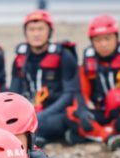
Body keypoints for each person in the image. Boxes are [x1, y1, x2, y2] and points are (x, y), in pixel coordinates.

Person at [66, 14, 120, 150]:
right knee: (71, 114)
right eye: (98, 40)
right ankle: (109, 137)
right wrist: (82, 112)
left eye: (108, 39)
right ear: (92, 41)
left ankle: (95, 134)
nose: (103, 44)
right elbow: (82, 93)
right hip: (103, 112)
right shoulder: (88, 64)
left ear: (116, 38)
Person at [10, 10, 79, 146]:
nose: (36, 34)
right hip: (29, 110)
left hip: (54, 111)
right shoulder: (20, 59)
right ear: (26, 33)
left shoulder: (64, 55)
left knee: (56, 122)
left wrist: (42, 115)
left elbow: (69, 94)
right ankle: (33, 137)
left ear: (49, 31)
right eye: (32, 29)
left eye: (41, 29)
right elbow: (13, 93)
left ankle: (34, 137)